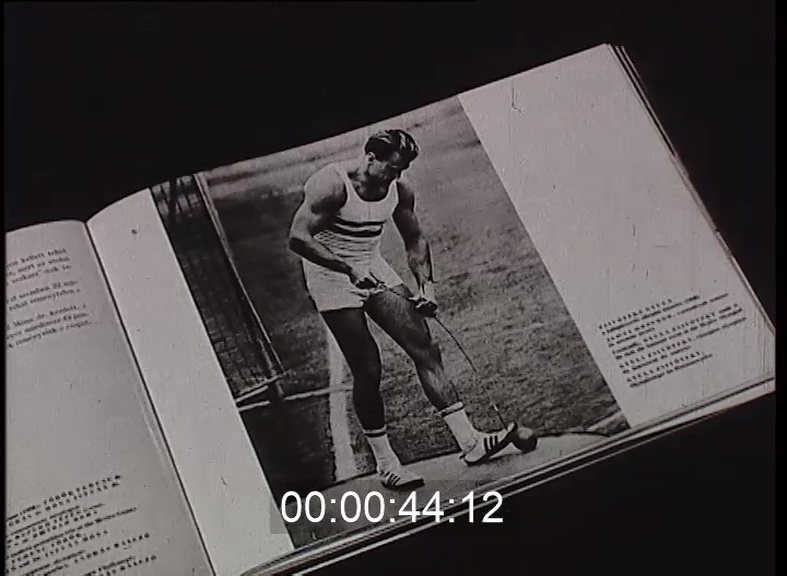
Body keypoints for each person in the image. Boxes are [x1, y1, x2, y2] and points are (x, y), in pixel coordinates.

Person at [288, 128, 517, 490]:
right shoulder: (331, 185)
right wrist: (347, 269)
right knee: (368, 367)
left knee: (424, 347)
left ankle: (471, 442)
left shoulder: (399, 188)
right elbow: (298, 238)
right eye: (392, 167)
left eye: (403, 169)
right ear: (370, 157)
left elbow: (414, 238)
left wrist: (426, 287)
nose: (396, 176)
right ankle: (387, 464)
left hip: (371, 263)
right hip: (330, 275)